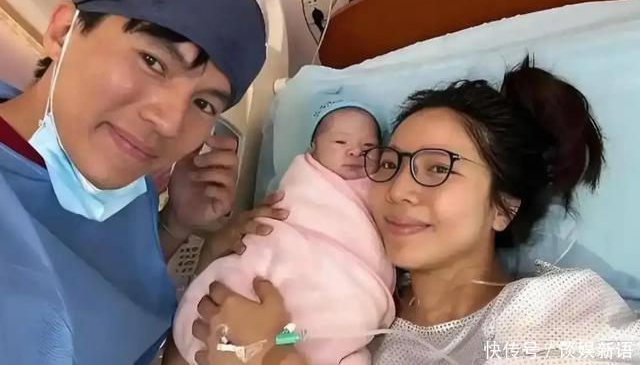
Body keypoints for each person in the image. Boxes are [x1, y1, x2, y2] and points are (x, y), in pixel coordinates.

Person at [189, 58, 640, 364]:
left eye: (438, 168)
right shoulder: (366, 308)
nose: (398, 190)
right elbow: (299, 334)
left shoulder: (552, 312)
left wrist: (272, 357)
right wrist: (220, 272)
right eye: (389, 164)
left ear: (502, 207)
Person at [0, 0, 284, 365]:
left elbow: (107, 286)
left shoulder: (113, 161)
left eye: (203, 103)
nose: (169, 123)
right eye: (153, 62)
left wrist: (175, 224)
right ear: (63, 32)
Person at [172, 106, 395, 365]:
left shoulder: (378, 191)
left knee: (327, 331)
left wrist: (268, 353)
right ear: (314, 147)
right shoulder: (307, 181)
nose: (355, 152)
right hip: (277, 288)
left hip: (330, 306)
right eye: (340, 142)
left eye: (369, 148)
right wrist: (208, 250)